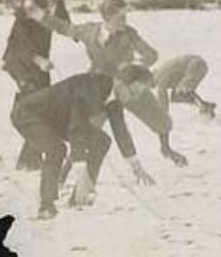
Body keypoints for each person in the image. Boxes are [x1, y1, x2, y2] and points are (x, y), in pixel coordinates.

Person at [39, 0, 186, 167]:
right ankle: (65, 172)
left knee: (161, 121)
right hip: (99, 89)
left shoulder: (129, 34)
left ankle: (166, 148)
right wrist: (41, 16)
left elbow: (151, 54)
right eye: (120, 17)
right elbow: (64, 28)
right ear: (108, 18)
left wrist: (133, 64)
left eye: (126, 16)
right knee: (87, 130)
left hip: (129, 85)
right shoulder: (89, 31)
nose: (125, 20)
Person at [10, 65, 156, 220]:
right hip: (28, 114)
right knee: (57, 150)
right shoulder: (89, 89)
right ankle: (46, 205)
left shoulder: (113, 95)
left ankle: (81, 194)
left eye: (137, 95)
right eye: (132, 92)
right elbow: (77, 129)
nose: (133, 98)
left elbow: (120, 129)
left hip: (58, 119)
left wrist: (136, 166)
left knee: (102, 141)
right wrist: (81, 172)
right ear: (120, 82)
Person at [2, 0, 70, 170]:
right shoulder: (29, 8)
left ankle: (29, 158)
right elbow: (20, 43)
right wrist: (38, 59)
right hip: (22, 65)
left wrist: (60, 2)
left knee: (40, 106)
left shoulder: (55, 5)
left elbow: (65, 25)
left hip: (39, 66)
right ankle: (28, 159)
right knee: (35, 106)